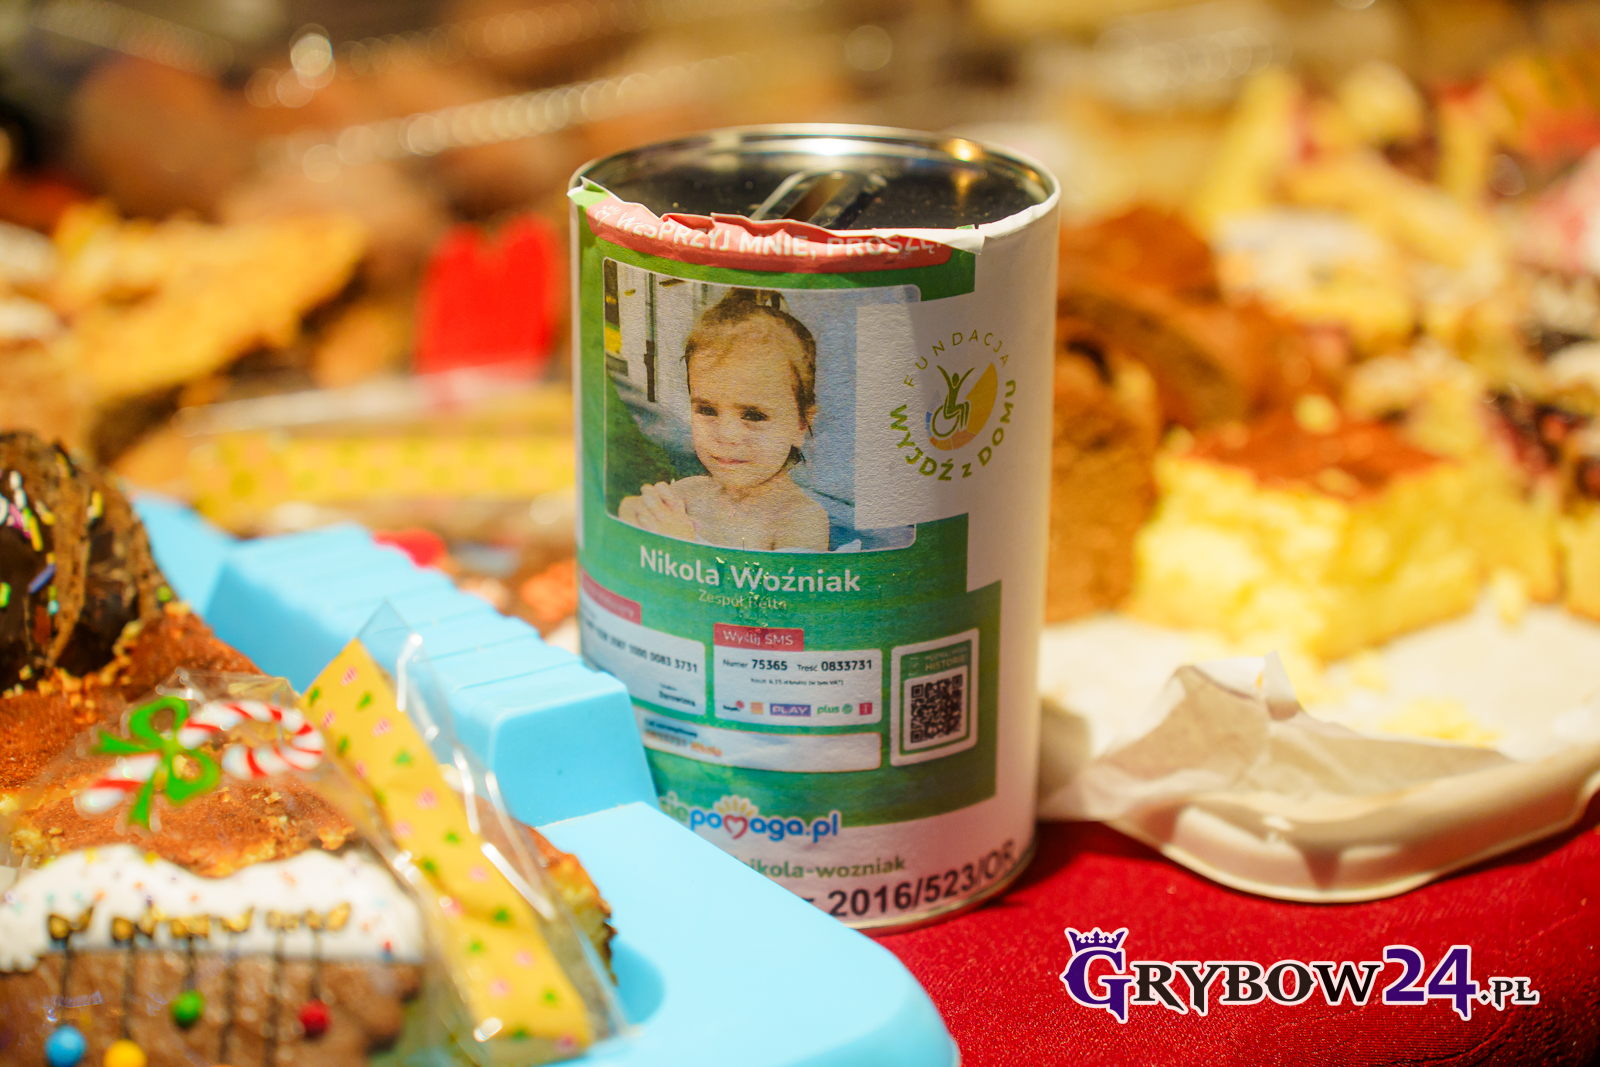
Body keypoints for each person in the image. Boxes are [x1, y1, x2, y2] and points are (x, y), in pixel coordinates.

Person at [619, 291, 830, 551]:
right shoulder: (688, 492)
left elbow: (784, 581)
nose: (726, 435)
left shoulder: (799, 519)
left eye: (753, 415)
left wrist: (683, 544)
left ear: (800, 425)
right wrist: (637, 513)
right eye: (707, 410)